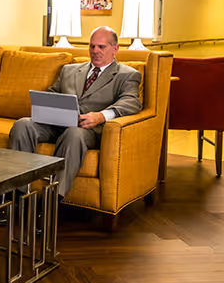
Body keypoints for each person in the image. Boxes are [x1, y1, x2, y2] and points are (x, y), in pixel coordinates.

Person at [9, 26, 142, 199]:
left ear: (115, 49)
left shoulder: (127, 75)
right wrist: (46, 106)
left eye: (101, 47)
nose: (95, 51)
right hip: (57, 123)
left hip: (89, 130)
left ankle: (53, 199)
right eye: (92, 46)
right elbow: (54, 93)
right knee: (23, 125)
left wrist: (101, 116)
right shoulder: (69, 70)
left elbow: (131, 102)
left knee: (74, 134)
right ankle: (19, 195)